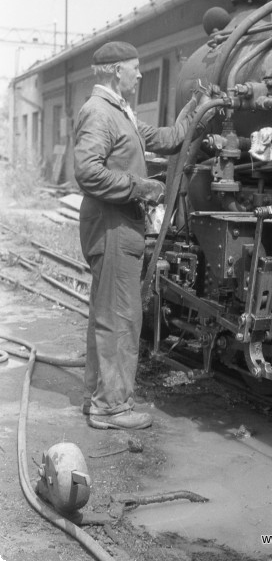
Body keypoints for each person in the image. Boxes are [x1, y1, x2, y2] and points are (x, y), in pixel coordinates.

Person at [74, 41, 207, 430]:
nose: (140, 73)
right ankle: (112, 407)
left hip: (117, 225)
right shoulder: (99, 113)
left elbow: (165, 139)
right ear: (117, 71)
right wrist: (140, 187)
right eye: (135, 68)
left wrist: (193, 112)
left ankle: (96, 399)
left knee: (108, 315)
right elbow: (87, 171)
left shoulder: (121, 113)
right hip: (113, 226)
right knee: (121, 318)